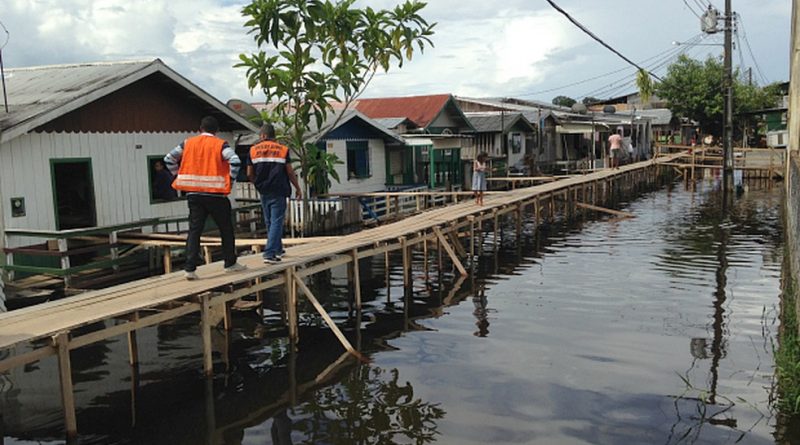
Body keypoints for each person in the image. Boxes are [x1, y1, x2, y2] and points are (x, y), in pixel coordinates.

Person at [164, 116, 247, 280]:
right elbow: (235, 161)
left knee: (194, 231)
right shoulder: (219, 144)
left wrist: (178, 176)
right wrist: (229, 181)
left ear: (200, 129)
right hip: (216, 194)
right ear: (216, 131)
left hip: (194, 194)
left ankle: (190, 269)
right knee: (226, 229)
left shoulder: (187, 143)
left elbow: (169, 158)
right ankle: (230, 263)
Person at [247, 123, 302, 264]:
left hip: (263, 190)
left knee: (269, 221)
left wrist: (257, 184)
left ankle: (278, 249)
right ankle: (269, 253)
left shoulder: (253, 150)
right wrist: (297, 187)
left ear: (263, 135)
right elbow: (289, 171)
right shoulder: (283, 150)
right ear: (273, 136)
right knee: (277, 222)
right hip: (279, 189)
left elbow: (249, 173)